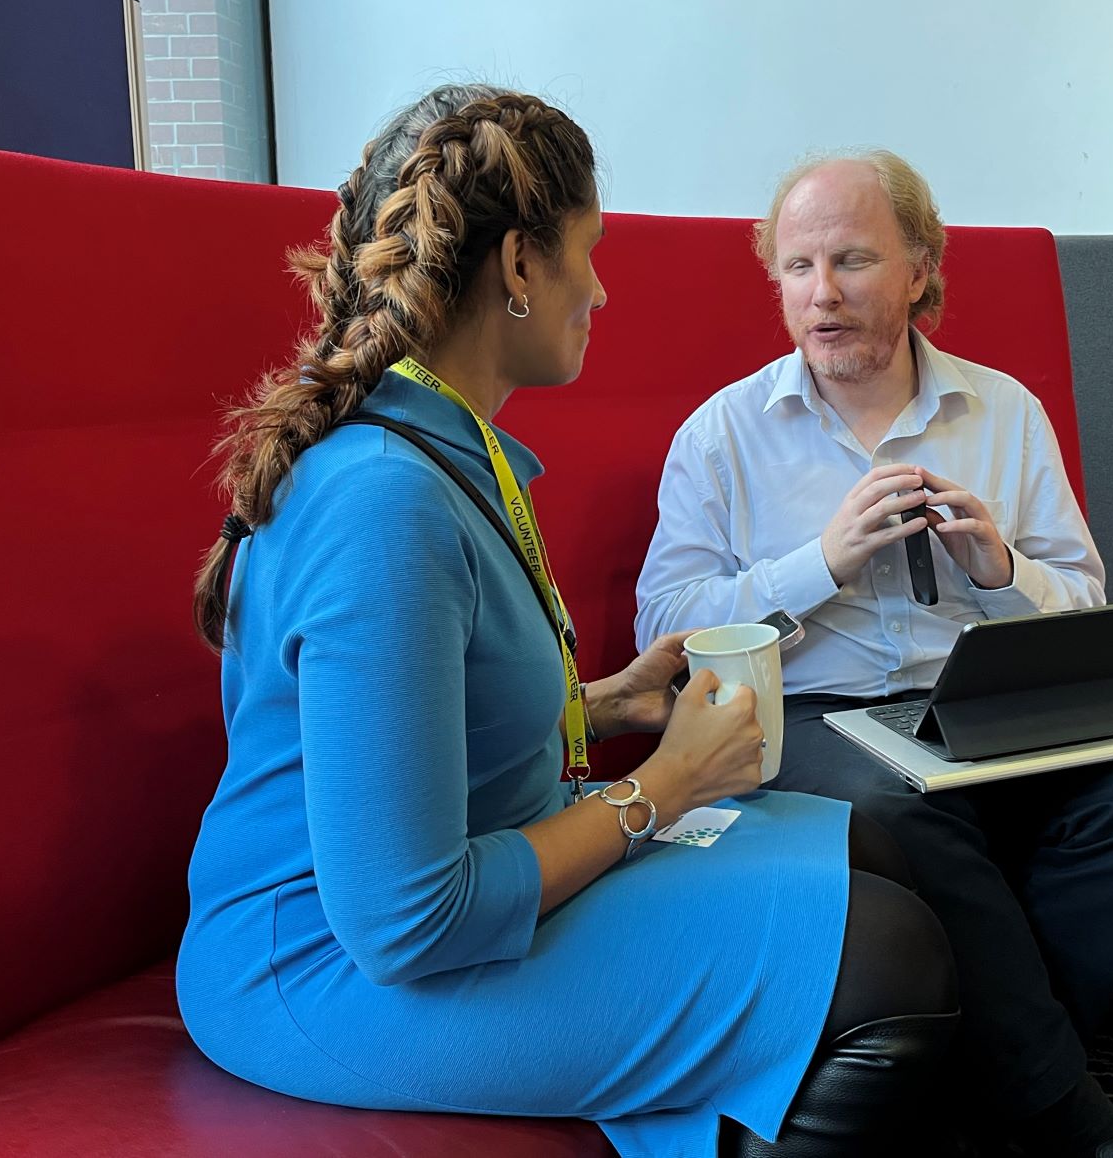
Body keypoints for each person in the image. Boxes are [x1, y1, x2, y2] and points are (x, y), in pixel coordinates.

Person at [177, 87, 958, 1158]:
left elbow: (399, 723)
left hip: (463, 878)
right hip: (329, 971)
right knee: (887, 956)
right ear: (516, 268)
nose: (599, 288)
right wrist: (664, 781)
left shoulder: (451, 453)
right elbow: (410, 922)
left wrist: (601, 702)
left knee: (870, 839)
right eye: (586, 252)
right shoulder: (385, 503)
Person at [635, 152, 1113, 1158]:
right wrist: (819, 562)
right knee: (904, 806)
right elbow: (665, 630)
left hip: (983, 701)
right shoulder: (722, 436)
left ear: (918, 271)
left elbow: (1087, 601)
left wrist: (999, 569)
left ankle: (976, 1086)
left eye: (852, 260)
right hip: (813, 715)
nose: (821, 294)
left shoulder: (1004, 413)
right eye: (798, 266)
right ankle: (1065, 1122)